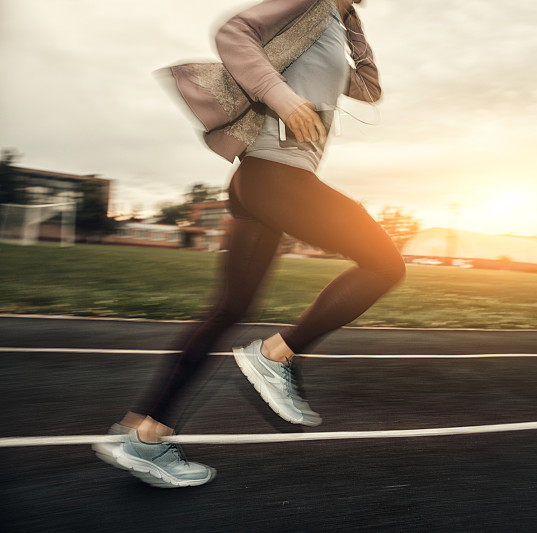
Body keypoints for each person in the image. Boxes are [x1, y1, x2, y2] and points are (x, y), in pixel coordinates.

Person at [94, 0, 405, 488]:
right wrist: (283, 99)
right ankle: (275, 354)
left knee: (229, 308)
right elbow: (234, 30)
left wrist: (353, 24)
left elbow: (369, 88)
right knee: (386, 265)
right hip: (276, 175)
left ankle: (144, 434)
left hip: (263, 184)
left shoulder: (333, 26)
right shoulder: (310, 6)